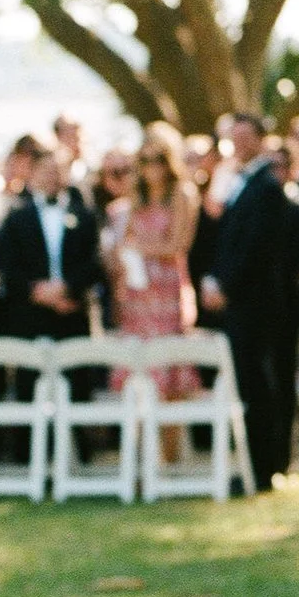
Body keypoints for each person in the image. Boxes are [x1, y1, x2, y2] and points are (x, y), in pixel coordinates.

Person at [201, 114, 299, 488]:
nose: (240, 143)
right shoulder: (239, 182)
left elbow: (256, 248)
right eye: (235, 137)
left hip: (260, 305)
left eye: (247, 137)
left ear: (262, 140)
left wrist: (225, 285)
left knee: (262, 384)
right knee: (250, 383)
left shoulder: (266, 186)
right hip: (244, 302)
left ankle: (266, 465)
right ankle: (255, 463)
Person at [104, 121, 200, 398]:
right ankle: (139, 441)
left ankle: (167, 442)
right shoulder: (137, 197)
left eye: (158, 159)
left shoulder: (181, 193)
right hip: (137, 291)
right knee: (137, 374)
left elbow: (179, 245)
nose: (151, 167)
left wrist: (144, 248)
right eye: (144, 160)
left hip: (168, 292)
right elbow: (128, 238)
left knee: (169, 375)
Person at [0, 135, 102, 338]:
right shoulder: (17, 218)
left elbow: (94, 262)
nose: (52, 176)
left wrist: (66, 288)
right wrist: (39, 293)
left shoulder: (84, 215)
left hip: (74, 315)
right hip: (30, 320)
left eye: (57, 170)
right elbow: (8, 266)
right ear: (33, 173)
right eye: (45, 171)